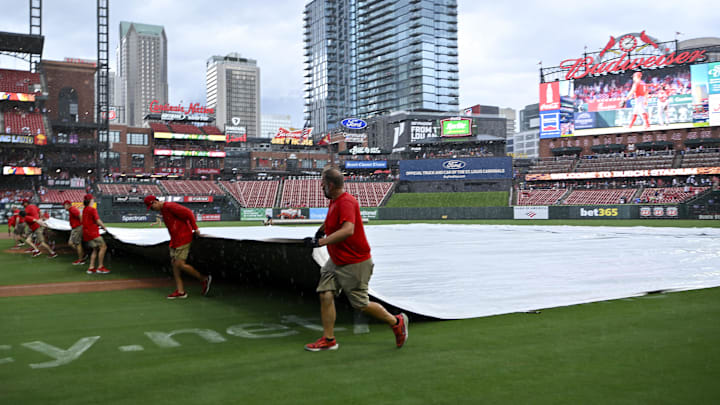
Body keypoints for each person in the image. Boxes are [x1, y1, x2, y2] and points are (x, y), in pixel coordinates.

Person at [303, 166, 408, 352]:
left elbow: (347, 230)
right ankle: (329, 339)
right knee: (325, 294)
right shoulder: (335, 201)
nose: (321, 188)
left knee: (361, 304)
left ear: (330, 185)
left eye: (322, 184)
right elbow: (332, 221)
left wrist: (321, 243)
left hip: (355, 261)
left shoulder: (346, 202)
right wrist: (320, 232)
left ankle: (396, 321)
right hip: (336, 260)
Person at [144, 195, 211, 299]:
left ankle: (203, 279)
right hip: (175, 241)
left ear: (154, 202)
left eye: (152, 207)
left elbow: (188, 213)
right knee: (175, 265)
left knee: (180, 264)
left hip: (183, 238)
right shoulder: (163, 210)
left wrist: (195, 228)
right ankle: (181, 291)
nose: (153, 210)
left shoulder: (170, 206)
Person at [82, 194, 110, 274]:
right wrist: (104, 227)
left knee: (95, 249)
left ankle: (91, 268)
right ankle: (100, 267)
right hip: (93, 233)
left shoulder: (85, 209)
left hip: (86, 233)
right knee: (103, 247)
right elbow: (97, 220)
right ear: (90, 201)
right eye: (92, 200)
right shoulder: (92, 209)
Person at [63, 200, 85, 265]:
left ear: (68, 205)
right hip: (75, 228)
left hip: (77, 228)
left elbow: (80, 216)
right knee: (70, 243)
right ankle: (82, 254)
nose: (64, 207)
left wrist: (82, 225)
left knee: (77, 243)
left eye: (65, 205)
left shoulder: (72, 209)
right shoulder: (71, 210)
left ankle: (81, 260)